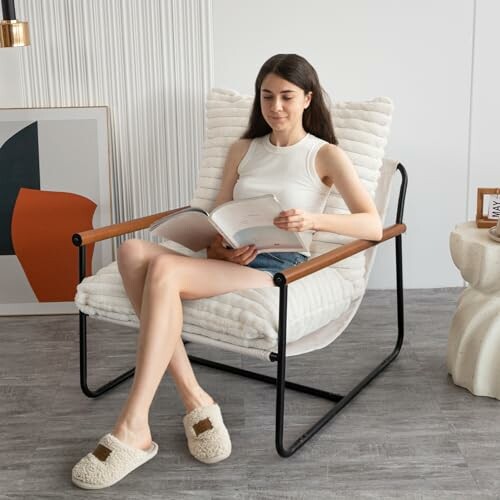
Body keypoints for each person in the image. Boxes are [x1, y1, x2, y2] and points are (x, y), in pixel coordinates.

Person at [71, 53, 382, 489]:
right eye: (268, 96)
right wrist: (217, 244)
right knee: (133, 251)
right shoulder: (243, 149)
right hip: (231, 256)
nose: (276, 107)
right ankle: (195, 399)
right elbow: (220, 211)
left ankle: (133, 426)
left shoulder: (325, 155)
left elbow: (371, 223)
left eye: (287, 97)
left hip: (281, 265)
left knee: (163, 272)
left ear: (308, 98)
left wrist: (313, 221)